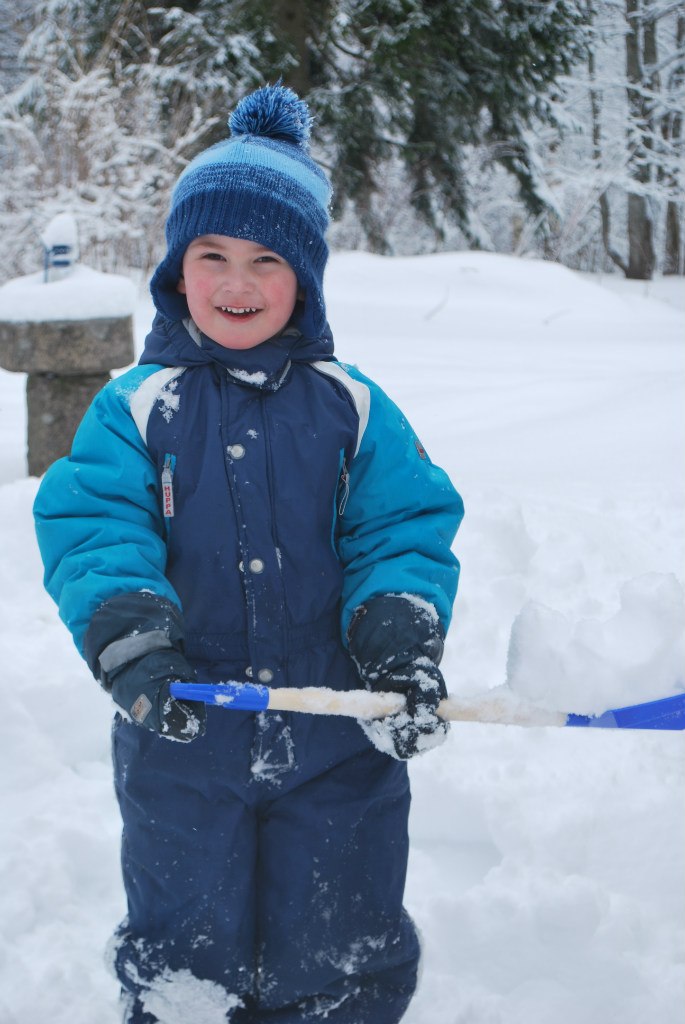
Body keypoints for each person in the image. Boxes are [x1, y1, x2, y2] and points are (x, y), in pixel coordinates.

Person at [33, 84, 463, 1024]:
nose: (238, 282)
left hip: (338, 735)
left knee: (342, 938)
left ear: (304, 277)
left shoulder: (352, 406)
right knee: (184, 950)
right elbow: (96, 528)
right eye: (213, 256)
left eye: (267, 259)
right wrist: (134, 646)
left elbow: (399, 529)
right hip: (181, 733)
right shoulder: (135, 408)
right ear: (176, 269)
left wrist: (398, 643)